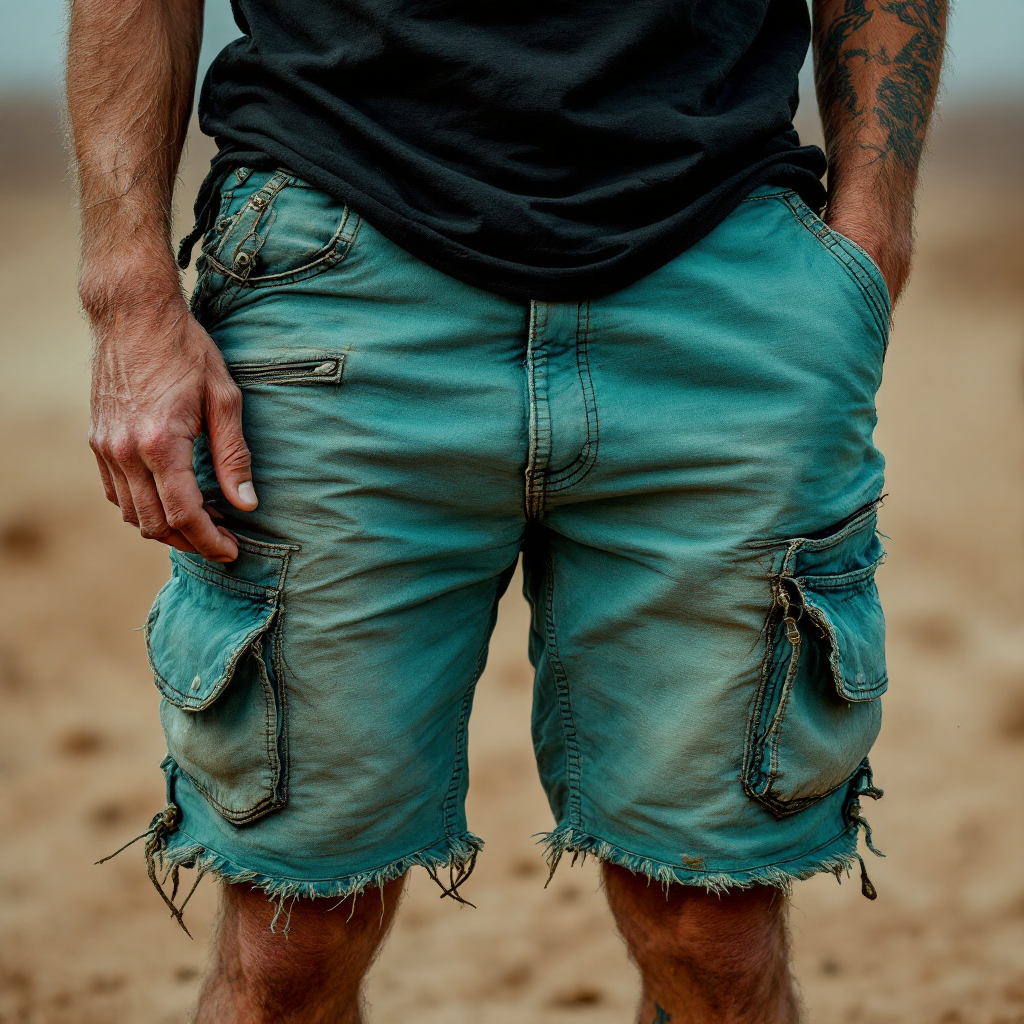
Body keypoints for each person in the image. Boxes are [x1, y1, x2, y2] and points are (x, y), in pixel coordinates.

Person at [67, 0, 945, 1018]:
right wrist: (127, 290)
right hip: (338, 280)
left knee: (714, 931)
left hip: (720, 267)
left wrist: (872, 230)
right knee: (289, 946)